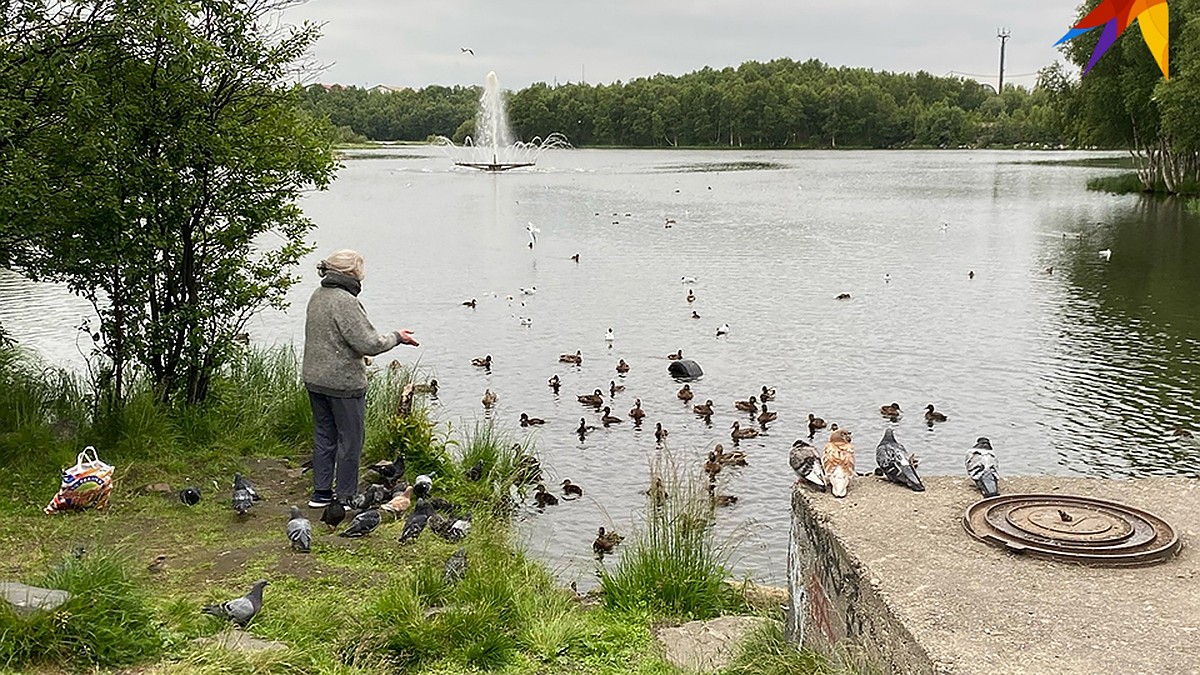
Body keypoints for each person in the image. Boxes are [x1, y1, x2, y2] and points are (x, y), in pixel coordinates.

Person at [302, 250, 419, 508]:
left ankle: (321, 494)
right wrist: (398, 337)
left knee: (324, 435)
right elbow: (369, 342)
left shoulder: (317, 296)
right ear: (352, 273)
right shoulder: (345, 301)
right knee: (350, 439)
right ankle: (345, 497)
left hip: (314, 378)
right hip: (342, 383)